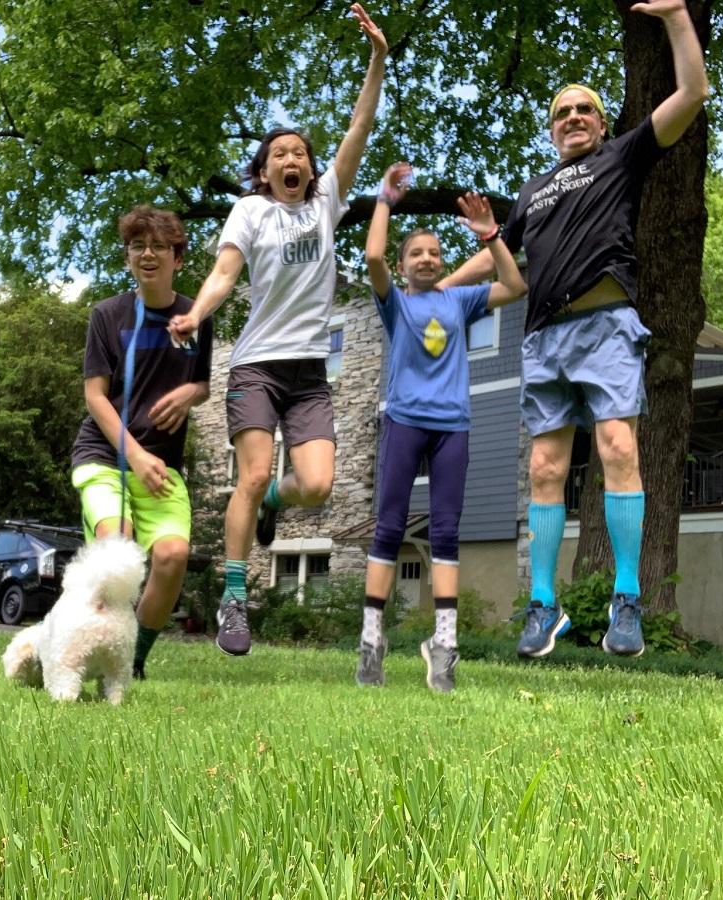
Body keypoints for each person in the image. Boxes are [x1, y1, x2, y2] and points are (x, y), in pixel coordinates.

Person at [438, 0, 709, 659]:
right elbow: (496, 255)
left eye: (585, 109)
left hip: (607, 327)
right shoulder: (532, 191)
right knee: (544, 466)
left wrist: (677, 17)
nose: (574, 118)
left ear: (601, 121)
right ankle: (542, 605)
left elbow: (692, 93)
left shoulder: (620, 157)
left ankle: (627, 597)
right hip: (544, 340)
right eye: (563, 113)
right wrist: (439, 292)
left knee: (617, 447)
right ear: (551, 129)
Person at [169, 3, 387, 657]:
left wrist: (377, 59)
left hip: (310, 373)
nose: (291, 158)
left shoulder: (327, 203)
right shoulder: (249, 211)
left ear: (311, 170)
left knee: (315, 485)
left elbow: (359, 125)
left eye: (300, 153)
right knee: (252, 471)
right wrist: (196, 314)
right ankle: (235, 598)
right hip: (257, 365)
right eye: (279, 154)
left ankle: (272, 503)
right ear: (265, 172)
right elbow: (223, 274)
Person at [357, 162, 526, 691]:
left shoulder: (460, 299)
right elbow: (372, 256)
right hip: (405, 421)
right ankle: (371, 641)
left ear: (443, 261)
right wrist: (384, 200)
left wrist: (491, 236)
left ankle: (444, 644)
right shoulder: (395, 304)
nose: (427, 259)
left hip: (454, 425)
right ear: (403, 265)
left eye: (434, 252)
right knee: (389, 527)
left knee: (448, 531)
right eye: (417, 254)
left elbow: (514, 285)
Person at [70, 206, 214, 679]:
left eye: (159, 246)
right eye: (137, 246)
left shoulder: (196, 317)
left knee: (172, 557)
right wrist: (133, 454)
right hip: (105, 457)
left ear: (178, 258)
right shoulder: (108, 315)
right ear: (128, 257)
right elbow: (95, 396)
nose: (147, 254)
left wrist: (193, 393)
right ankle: (79, 647)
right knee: (118, 548)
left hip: (162, 464)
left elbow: (203, 382)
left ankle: (131, 660)